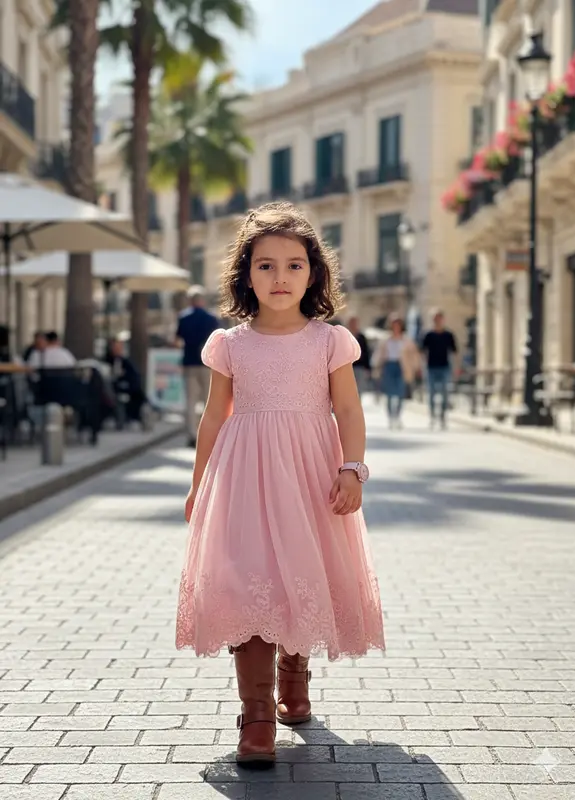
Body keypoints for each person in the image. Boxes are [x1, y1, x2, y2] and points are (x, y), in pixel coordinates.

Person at [176, 202, 384, 767]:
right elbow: (214, 417)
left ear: (314, 273)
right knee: (249, 584)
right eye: (265, 265)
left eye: (294, 265)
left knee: (296, 576)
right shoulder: (229, 344)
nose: (280, 277)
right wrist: (200, 485)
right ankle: (257, 714)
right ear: (245, 273)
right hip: (243, 475)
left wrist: (352, 468)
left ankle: (295, 673)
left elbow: (349, 409)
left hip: (311, 474)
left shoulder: (329, 341)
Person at [176, 285, 219, 447]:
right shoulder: (210, 318)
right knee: (209, 400)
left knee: (190, 401)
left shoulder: (183, 318)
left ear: (190, 300)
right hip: (208, 364)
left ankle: (192, 435)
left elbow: (178, 339)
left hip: (189, 363)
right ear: (202, 300)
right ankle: (209, 434)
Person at [372, 313, 420, 428]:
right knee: (389, 394)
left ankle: (397, 416)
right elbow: (379, 354)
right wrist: (376, 366)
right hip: (389, 366)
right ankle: (390, 417)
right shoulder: (385, 340)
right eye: (394, 324)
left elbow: (414, 355)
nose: (396, 326)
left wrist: (416, 367)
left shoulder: (406, 340)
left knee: (400, 392)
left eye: (398, 324)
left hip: (401, 367)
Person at [421, 309, 457, 429]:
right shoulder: (428, 335)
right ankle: (432, 417)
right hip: (431, 367)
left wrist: (456, 368)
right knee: (431, 394)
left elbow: (454, 351)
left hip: (445, 367)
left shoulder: (448, 335)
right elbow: (422, 351)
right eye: (435, 318)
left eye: (439, 318)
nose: (437, 321)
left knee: (445, 394)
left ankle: (442, 417)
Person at [346, 316, 371, 396]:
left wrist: (367, 368)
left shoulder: (361, 337)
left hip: (360, 367)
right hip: (347, 366)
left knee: (358, 389)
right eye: (351, 323)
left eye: (355, 323)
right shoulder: (345, 336)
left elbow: (366, 352)